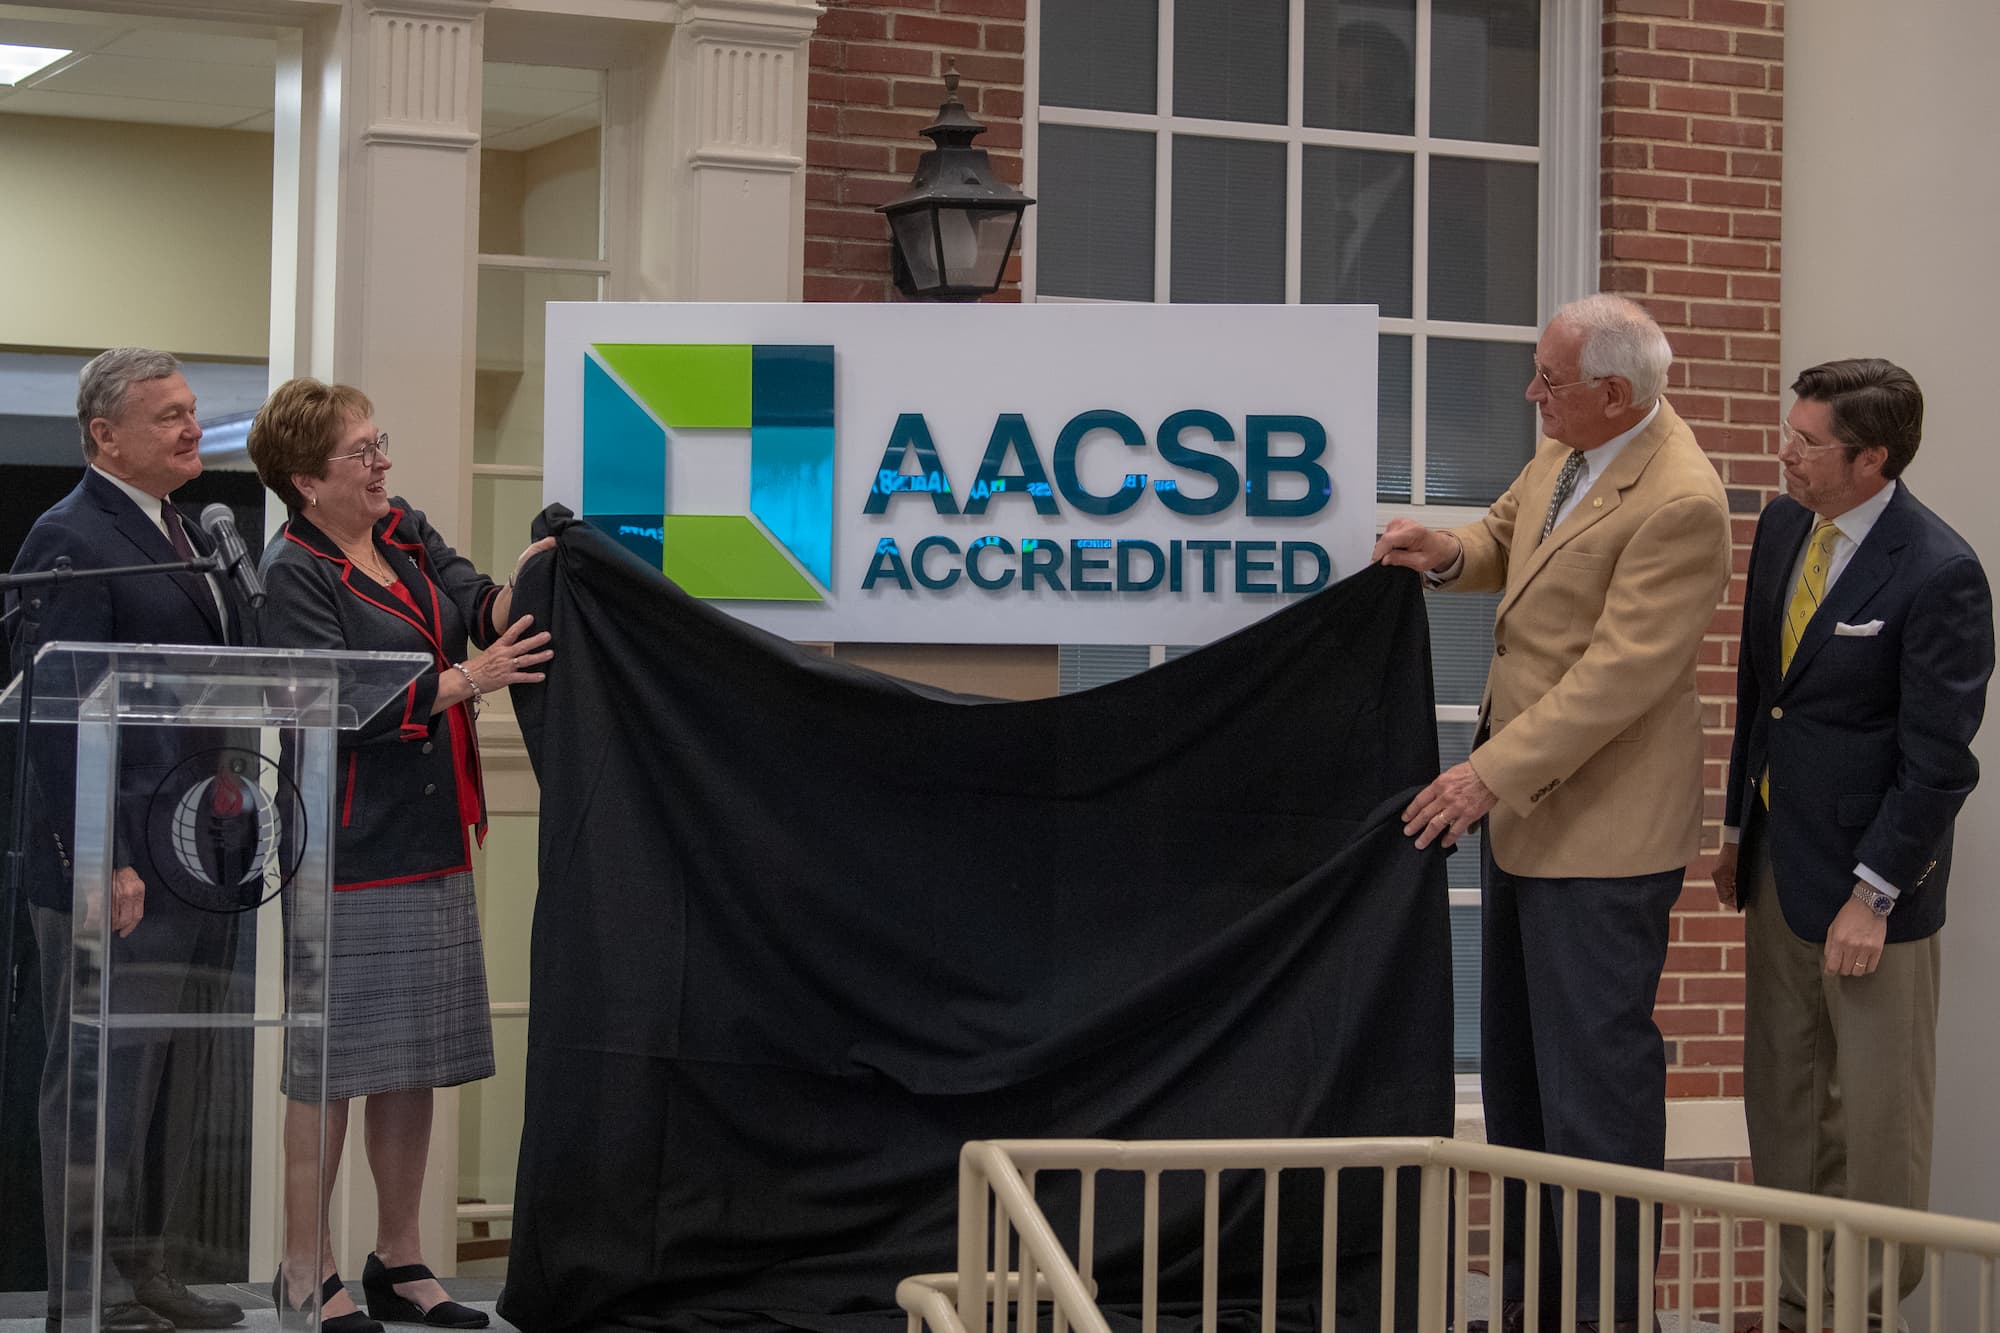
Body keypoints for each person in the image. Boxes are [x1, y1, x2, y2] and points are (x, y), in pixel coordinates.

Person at [1372, 294, 1732, 1333]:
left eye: (1549, 380)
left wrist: (1484, 774)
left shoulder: (1678, 501)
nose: (1532, 393)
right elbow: (1501, 538)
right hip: (1533, 824)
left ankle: (1601, 1314)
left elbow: (1615, 678)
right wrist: (1438, 553)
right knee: (1525, 1091)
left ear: (1612, 393)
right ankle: (1534, 1305)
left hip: (1603, 837)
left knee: (1595, 1101)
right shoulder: (1569, 455)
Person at [246, 378, 553, 1333]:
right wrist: (469, 678)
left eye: (381, 444)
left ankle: (401, 1256)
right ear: (306, 478)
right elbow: (335, 705)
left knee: (411, 1057)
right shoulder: (290, 571)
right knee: (331, 1063)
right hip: (346, 845)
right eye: (362, 453)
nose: (383, 464)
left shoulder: (403, 529)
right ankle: (308, 1269)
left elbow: (470, 595)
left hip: (431, 834)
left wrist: (527, 585)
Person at [1713, 359, 1993, 1332]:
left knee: (1875, 1125)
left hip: (1868, 899)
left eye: (1804, 442)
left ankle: (1865, 1314)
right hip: (1775, 871)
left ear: (1871, 457)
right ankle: (1798, 1308)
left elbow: (1936, 766)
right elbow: (1765, 695)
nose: (1781, 452)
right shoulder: (1784, 523)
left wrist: (1869, 895)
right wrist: (1735, 828)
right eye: (1786, 431)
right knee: (1783, 1108)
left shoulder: (1938, 571)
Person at [6, 348, 252, 1333]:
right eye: (168, 416)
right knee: (102, 1072)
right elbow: (61, 710)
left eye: (193, 412)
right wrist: (96, 850)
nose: (192, 429)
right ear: (105, 434)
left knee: (172, 1075)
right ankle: (88, 1281)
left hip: (195, 849)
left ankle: (149, 1267)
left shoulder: (192, 533)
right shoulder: (71, 536)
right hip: (113, 859)